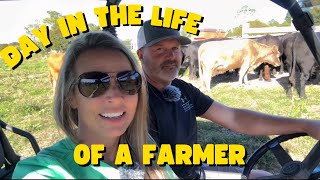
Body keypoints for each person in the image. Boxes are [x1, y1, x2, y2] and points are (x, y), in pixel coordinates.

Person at [136, 19, 320, 179]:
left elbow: (233, 117)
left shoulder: (182, 89)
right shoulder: (132, 99)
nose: (171, 56)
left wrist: (304, 125)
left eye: (175, 48)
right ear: (141, 55)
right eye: (159, 49)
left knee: (264, 176)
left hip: (195, 171)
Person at [12, 31, 177, 179]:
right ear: (71, 97)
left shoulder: (144, 144)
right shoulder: (44, 170)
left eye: (128, 81)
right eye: (93, 83)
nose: (116, 97)